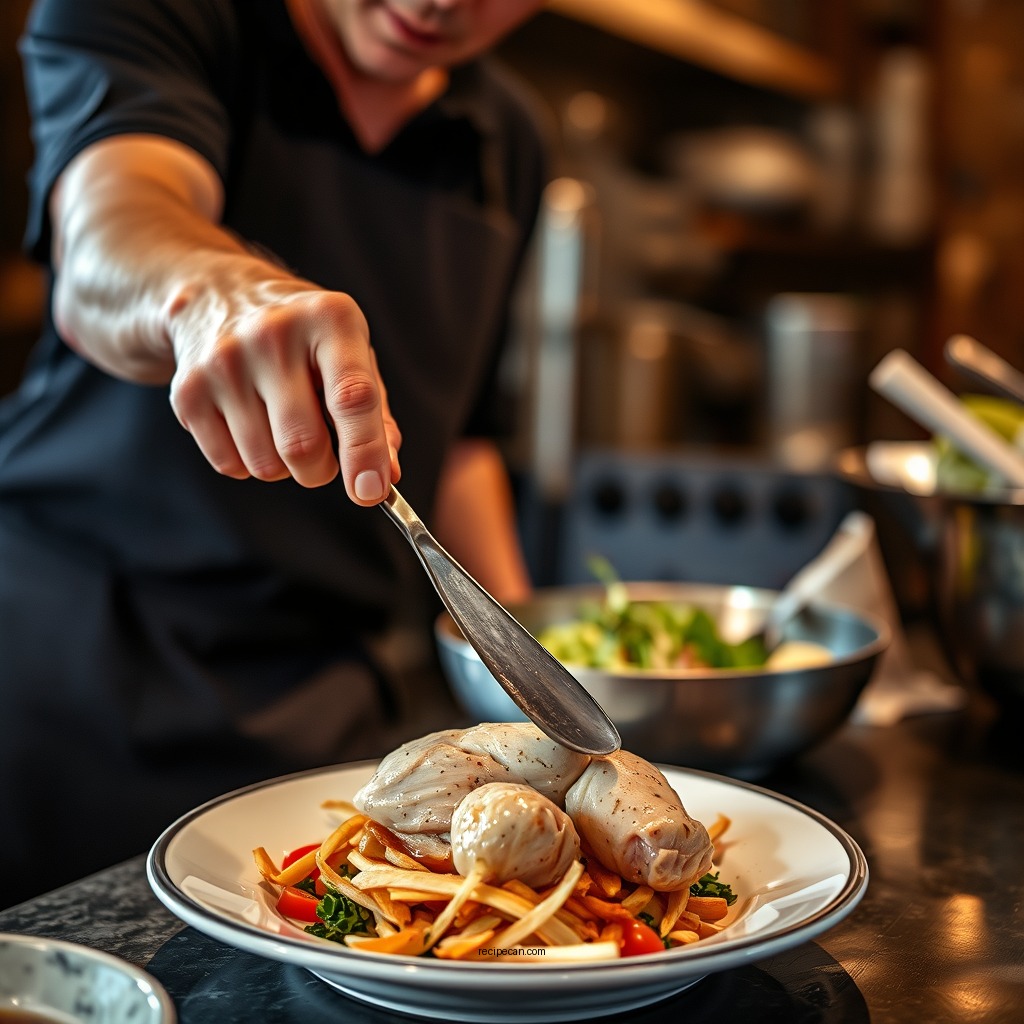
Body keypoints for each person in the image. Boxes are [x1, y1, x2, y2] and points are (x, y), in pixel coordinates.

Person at [0, 0, 546, 908]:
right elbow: (109, 230)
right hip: (67, 668)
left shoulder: (512, 141)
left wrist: (530, 672)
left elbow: (462, 443)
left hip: (318, 706)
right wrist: (210, 292)